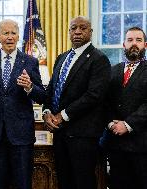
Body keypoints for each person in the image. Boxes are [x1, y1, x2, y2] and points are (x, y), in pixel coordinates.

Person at [0, 19, 45, 189]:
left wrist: (30, 87)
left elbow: (42, 96)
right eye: (6, 33)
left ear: (18, 36)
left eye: (13, 33)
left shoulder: (30, 62)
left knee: (23, 183)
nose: (10, 37)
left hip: (21, 135)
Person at [42, 16, 111, 189]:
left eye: (83, 28)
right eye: (73, 28)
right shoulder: (61, 57)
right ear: (69, 32)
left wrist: (62, 116)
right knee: (64, 181)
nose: (78, 32)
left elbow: (94, 95)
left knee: (83, 182)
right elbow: (51, 91)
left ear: (91, 32)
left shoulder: (99, 59)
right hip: (60, 134)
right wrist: (46, 113)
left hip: (83, 135)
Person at [100, 27, 147, 189]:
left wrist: (127, 125)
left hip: (141, 145)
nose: (134, 44)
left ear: (145, 45)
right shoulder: (112, 71)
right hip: (115, 144)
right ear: (123, 45)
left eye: (138, 40)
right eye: (130, 40)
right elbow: (104, 102)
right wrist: (110, 124)